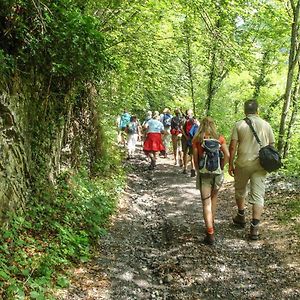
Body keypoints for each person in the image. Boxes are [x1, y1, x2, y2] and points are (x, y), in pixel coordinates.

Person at [229, 100, 275, 240]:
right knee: (258, 195)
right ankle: (254, 228)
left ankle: (241, 216)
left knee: (240, 190)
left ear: (244, 110)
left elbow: (232, 147)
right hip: (260, 165)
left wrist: (230, 164)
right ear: (257, 110)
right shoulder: (266, 125)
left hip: (243, 163)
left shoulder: (239, 124)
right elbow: (272, 146)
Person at [193, 116, 229, 245]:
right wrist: (221, 167)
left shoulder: (197, 139)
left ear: (201, 125)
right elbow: (228, 155)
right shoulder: (220, 138)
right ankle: (211, 223)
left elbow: (195, 158)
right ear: (214, 125)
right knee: (214, 199)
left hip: (204, 174)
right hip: (217, 173)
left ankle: (210, 232)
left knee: (206, 203)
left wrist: (198, 170)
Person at [181, 109, 196, 177]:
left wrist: (185, 136)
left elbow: (181, 128)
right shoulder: (195, 120)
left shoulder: (184, 120)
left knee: (185, 153)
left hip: (185, 139)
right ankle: (192, 168)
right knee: (191, 154)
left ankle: (185, 168)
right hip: (192, 139)